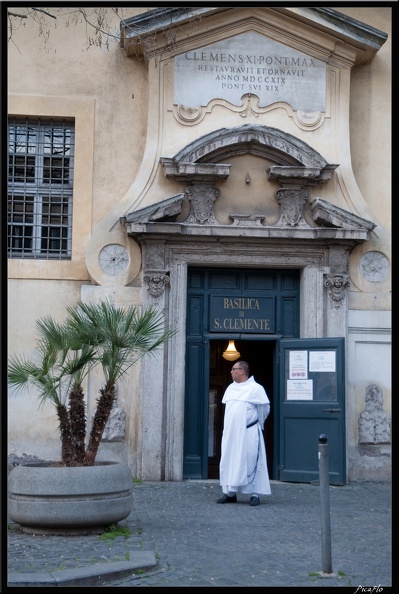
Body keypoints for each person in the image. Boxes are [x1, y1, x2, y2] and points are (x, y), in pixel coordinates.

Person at [217, 361, 271, 506]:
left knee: (251, 459)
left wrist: (254, 423)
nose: (231, 372)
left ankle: (254, 493)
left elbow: (264, 410)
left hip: (249, 431)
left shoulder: (256, 389)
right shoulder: (230, 388)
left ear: (242, 371)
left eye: (233, 369)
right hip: (231, 434)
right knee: (231, 460)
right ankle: (230, 492)